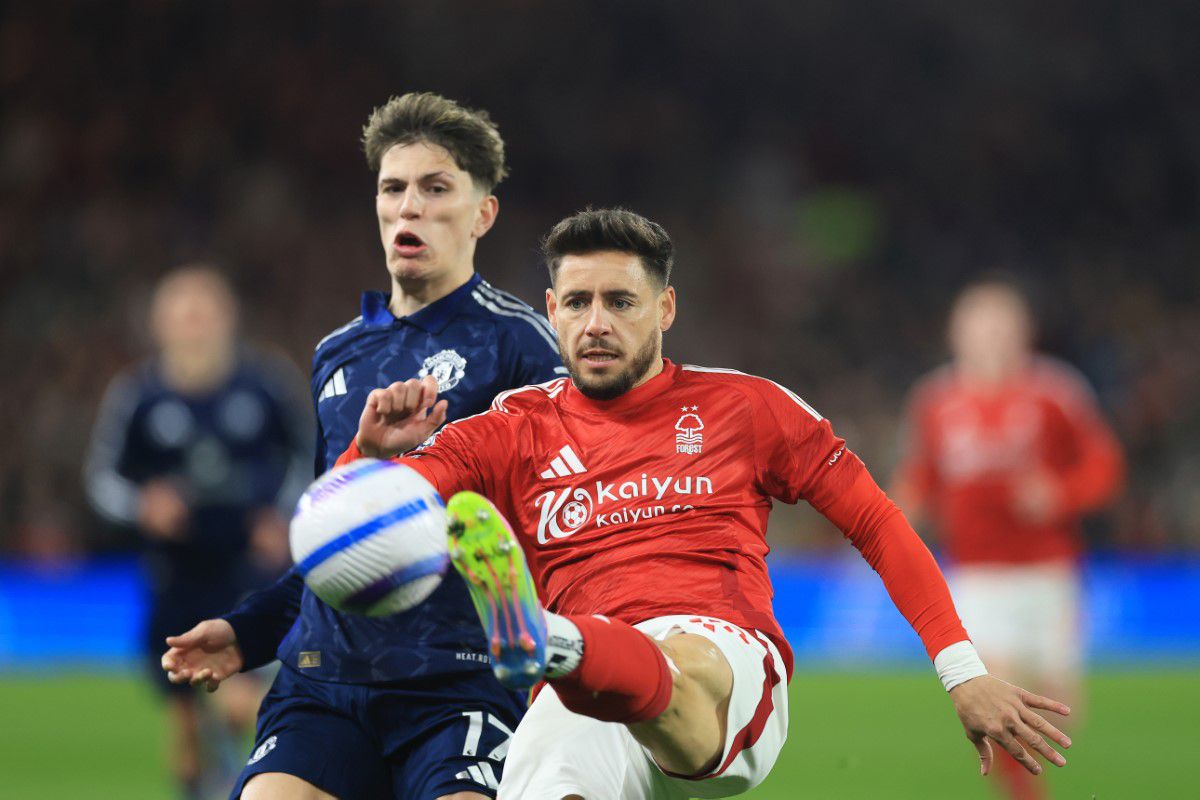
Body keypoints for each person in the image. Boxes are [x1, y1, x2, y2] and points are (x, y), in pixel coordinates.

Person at [335, 208, 1076, 799]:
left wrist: (962, 671)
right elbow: (358, 522)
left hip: (722, 657)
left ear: (666, 308)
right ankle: (559, 645)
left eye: (621, 302)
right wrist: (363, 456)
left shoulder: (744, 407)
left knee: (681, 662)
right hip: (579, 689)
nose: (597, 323)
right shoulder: (508, 429)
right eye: (580, 303)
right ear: (553, 310)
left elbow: (877, 523)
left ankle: (553, 641)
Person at [161, 93, 567, 800]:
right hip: (326, 683)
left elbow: (567, 523)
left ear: (482, 215)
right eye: (393, 188)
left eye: (436, 188)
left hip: (459, 686)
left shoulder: (522, 346)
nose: (409, 206)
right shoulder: (336, 355)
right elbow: (334, 542)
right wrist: (247, 632)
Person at [84, 266, 313, 799]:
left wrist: (281, 517)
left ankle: (288, 754)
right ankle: (209, 775)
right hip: (175, 575)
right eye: (182, 314)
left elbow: (309, 457)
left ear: (227, 318)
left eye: (203, 312)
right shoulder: (138, 395)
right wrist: (144, 504)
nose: (194, 325)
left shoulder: (265, 385)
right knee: (185, 730)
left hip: (250, 569)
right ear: (160, 325)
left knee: (236, 696)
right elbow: (102, 479)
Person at [891, 277, 1124, 800]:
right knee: (1001, 701)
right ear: (956, 333)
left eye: (1001, 323)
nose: (990, 335)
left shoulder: (1056, 391)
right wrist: (891, 515)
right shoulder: (935, 401)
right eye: (978, 324)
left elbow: (1104, 466)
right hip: (976, 576)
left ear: (1024, 332)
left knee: (1062, 707)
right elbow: (920, 478)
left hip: (1049, 572)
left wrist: (1060, 494)